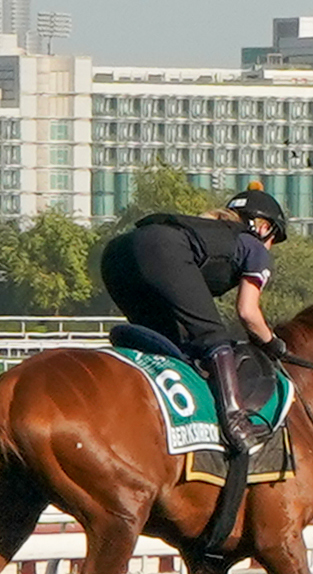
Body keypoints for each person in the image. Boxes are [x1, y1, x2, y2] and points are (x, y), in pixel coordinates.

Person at [98, 185, 297, 509]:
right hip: (160, 251)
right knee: (213, 338)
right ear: (262, 227)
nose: (271, 246)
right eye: (274, 237)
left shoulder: (208, 232)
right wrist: (274, 344)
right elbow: (248, 312)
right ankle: (235, 423)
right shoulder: (254, 246)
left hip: (117, 253)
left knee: (167, 344)